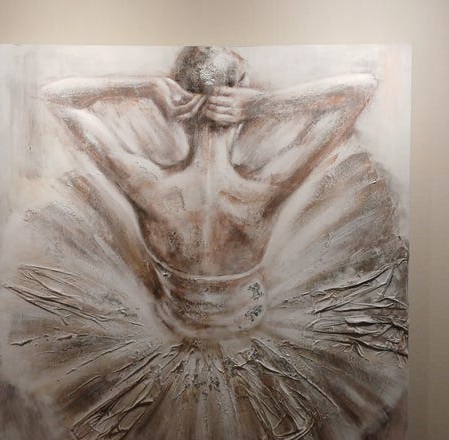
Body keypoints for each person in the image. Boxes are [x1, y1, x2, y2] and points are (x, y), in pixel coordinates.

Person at [42, 46, 377, 339]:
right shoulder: (264, 190)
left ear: (177, 100)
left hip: (174, 325)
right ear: (239, 95)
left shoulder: (149, 188)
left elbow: (55, 95)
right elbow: (363, 88)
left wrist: (146, 87)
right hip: (246, 325)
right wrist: (263, 104)